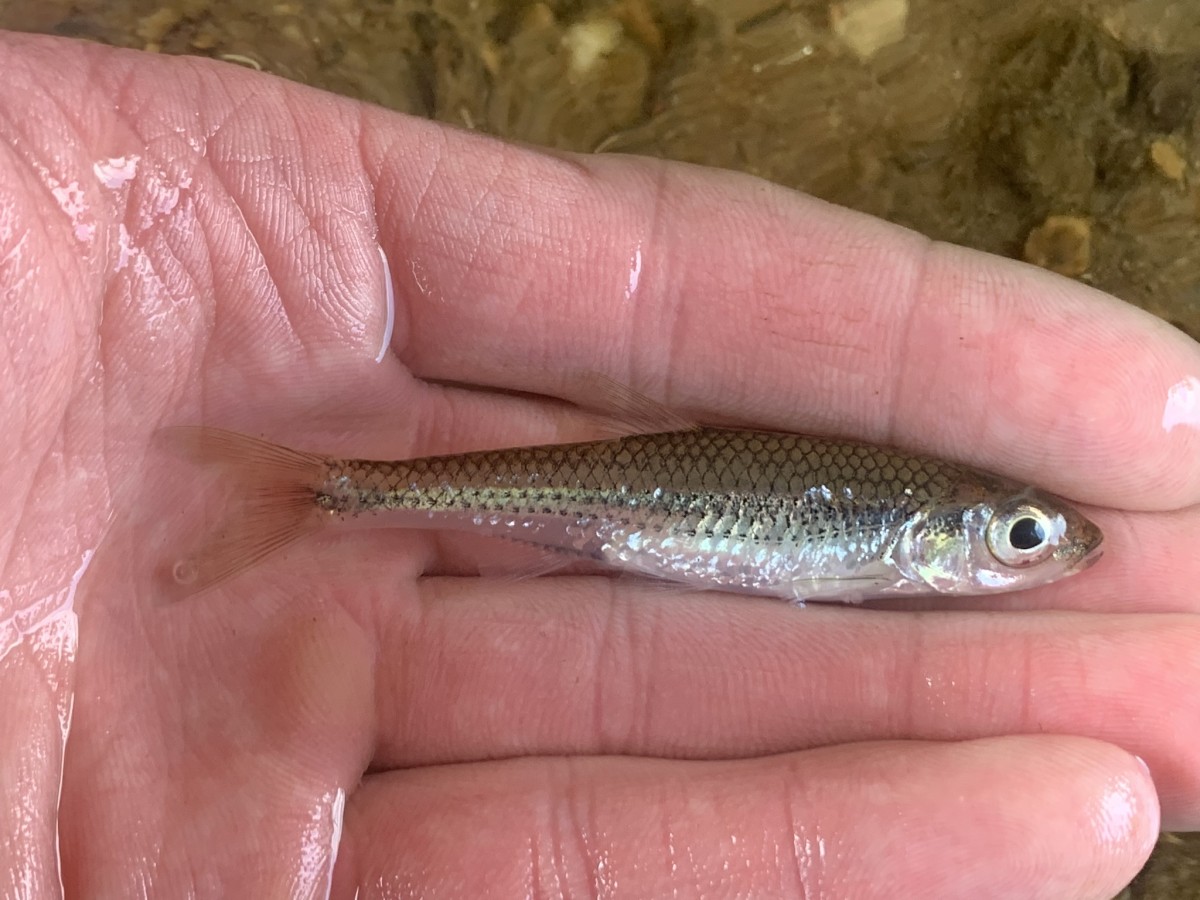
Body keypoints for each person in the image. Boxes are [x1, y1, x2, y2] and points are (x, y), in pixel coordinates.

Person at [1, 27, 1195, 899]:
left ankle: (339, 491)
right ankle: (333, 490)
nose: (1033, 550)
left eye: (1023, 536)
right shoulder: (896, 520)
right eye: (1020, 536)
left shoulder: (897, 513)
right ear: (940, 528)